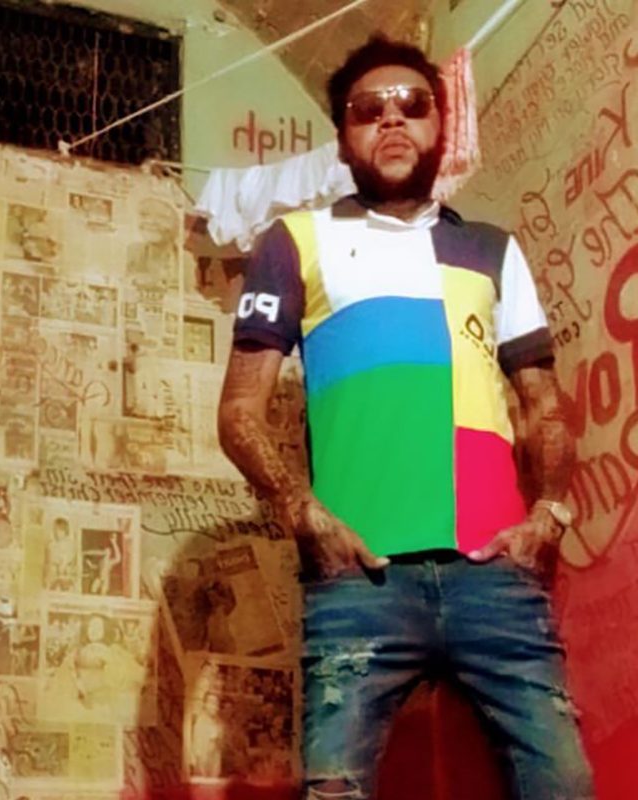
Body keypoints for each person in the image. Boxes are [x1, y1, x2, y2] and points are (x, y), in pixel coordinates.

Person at [217, 36, 594, 800]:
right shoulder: (295, 243)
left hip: (494, 575)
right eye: (368, 110)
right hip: (359, 577)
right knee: (333, 791)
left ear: (440, 127)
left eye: (412, 104)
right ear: (342, 138)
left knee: (564, 785)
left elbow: (544, 407)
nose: (391, 120)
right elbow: (238, 412)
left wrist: (549, 514)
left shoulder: (493, 250)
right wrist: (303, 512)